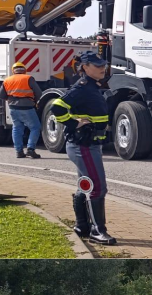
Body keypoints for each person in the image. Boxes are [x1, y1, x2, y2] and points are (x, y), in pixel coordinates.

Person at [49, 51, 116, 246]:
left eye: (103, 64)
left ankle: (82, 226)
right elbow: (57, 107)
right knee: (97, 187)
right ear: (85, 67)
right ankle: (98, 231)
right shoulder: (83, 87)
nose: (102, 68)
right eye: (97, 65)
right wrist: (73, 122)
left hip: (88, 144)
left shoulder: (93, 87)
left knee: (85, 184)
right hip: (83, 145)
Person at [0, 62, 43, 159]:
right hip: (27, 108)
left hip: (13, 108)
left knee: (17, 128)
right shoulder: (28, 78)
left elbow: (0, 95)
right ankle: (30, 149)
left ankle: (19, 152)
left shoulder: (7, 80)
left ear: (13, 70)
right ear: (24, 70)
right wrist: (34, 101)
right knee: (35, 127)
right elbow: (39, 93)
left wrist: (10, 99)